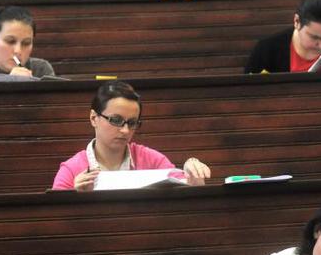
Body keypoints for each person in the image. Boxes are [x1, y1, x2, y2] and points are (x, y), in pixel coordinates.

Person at [52, 81, 211, 191]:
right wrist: (74, 196)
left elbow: (186, 195)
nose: (125, 130)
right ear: (94, 118)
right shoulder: (71, 170)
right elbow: (56, 220)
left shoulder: (152, 160)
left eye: (132, 123)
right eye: (116, 120)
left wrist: (193, 176)